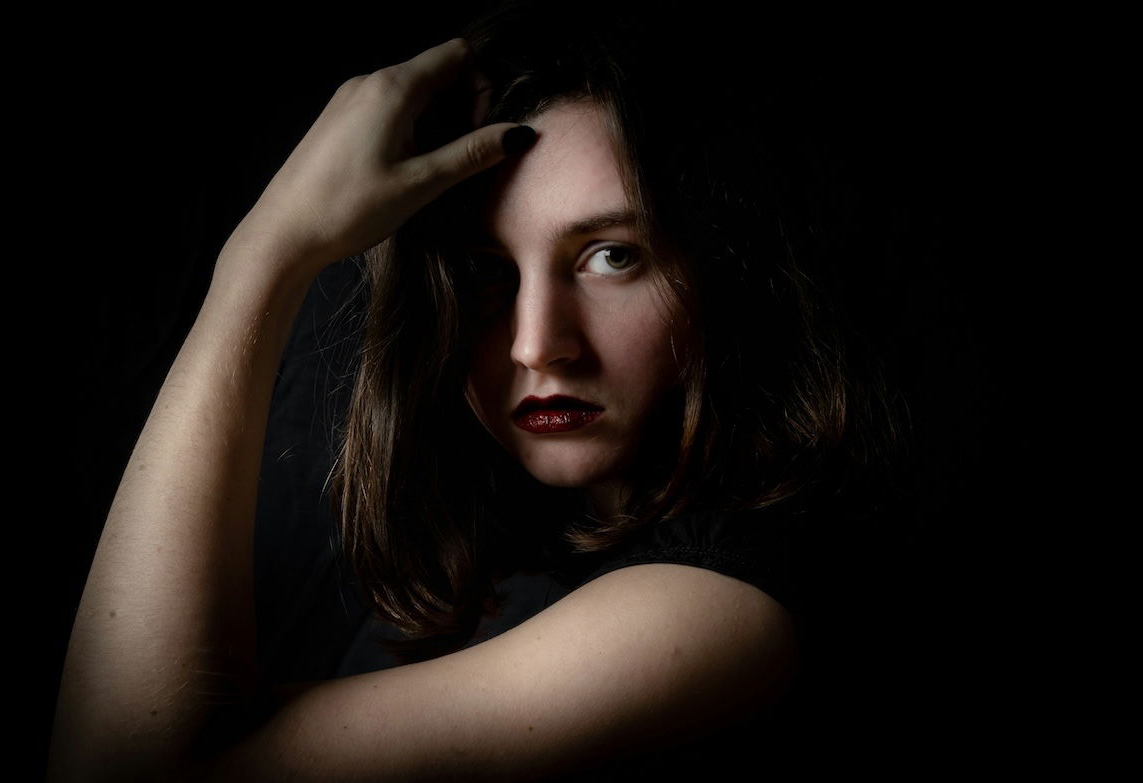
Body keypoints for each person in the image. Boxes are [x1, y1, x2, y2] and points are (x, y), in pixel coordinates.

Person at [50, 1, 903, 779]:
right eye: (486, 274)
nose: (540, 344)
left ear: (717, 271)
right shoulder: (497, 537)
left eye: (612, 255)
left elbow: (125, 764)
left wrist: (262, 259)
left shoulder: (720, 612)